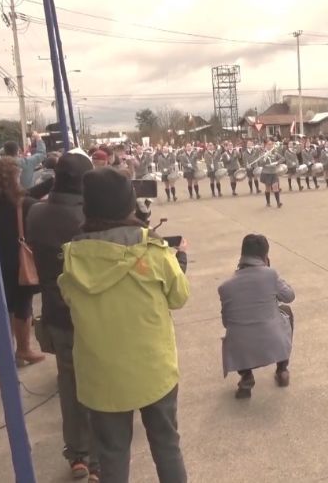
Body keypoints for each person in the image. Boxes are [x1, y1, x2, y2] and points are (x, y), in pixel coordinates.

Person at [58, 167, 189, 483]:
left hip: (101, 378)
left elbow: (70, 302)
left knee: (112, 455)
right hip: (153, 370)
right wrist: (180, 260)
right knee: (166, 445)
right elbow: (179, 296)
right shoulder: (153, 249)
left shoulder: (73, 258)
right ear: (129, 204)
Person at [25, 153, 99, 480]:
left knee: (69, 385)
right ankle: (98, 456)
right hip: (91, 316)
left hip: (55, 314)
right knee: (100, 383)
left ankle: (78, 455)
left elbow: (29, 198)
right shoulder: (90, 219)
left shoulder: (36, 214)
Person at [0, 157, 53, 365]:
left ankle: (6, 349)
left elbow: (28, 195)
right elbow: (29, 201)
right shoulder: (23, 204)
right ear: (14, 177)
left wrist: (50, 183)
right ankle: (24, 350)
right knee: (23, 306)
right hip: (18, 261)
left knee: (4, 305)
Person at [219, 234, 296, 400]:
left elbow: (226, 322)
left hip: (241, 347)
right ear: (265, 256)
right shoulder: (270, 275)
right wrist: (270, 272)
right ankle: (282, 369)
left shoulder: (225, 287)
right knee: (287, 311)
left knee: (235, 331)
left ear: (242, 254)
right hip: (271, 340)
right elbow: (289, 296)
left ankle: (246, 378)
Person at [258, 139, 285, 208]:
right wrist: (265, 156)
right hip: (266, 172)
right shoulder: (263, 153)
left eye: (271, 144)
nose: (270, 146)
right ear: (266, 145)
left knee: (275, 187)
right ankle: (268, 202)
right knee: (268, 189)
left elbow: (282, 158)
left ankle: (278, 203)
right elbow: (261, 163)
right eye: (269, 144)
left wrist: (277, 163)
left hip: (274, 172)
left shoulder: (274, 153)